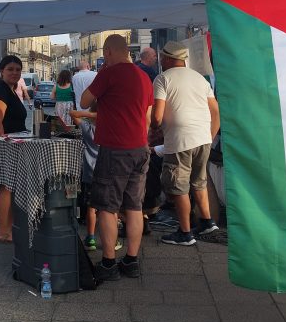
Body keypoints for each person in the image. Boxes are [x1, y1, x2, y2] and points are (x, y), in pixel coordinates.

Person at [80, 34, 153, 281]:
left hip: (115, 148)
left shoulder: (109, 74)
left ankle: (109, 262)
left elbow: (84, 100)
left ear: (109, 51)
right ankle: (131, 261)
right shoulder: (144, 76)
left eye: (104, 52)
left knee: (107, 207)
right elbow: (148, 116)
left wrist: (102, 99)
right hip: (141, 148)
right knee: (134, 206)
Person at [151, 41, 220, 246]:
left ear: (171, 58)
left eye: (163, 57)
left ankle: (185, 232)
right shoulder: (199, 78)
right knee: (199, 182)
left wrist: (156, 127)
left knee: (178, 186)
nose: (161, 60)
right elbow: (215, 110)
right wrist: (210, 134)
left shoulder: (162, 79)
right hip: (203, 138)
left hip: (180, 139)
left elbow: (156, 117)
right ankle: (207, 222)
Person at [0, 55, 28, 243]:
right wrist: (3, 148)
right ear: (2, 71)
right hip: (5, 145)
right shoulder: (0, 91)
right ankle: (3, 231)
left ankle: (8, 229)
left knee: (10, 187)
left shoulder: (10, 90)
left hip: (12, 144)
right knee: (6, 188)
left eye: (18, 69)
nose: (14, 73)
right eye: (10, 69)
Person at [70, 109, 99, 251]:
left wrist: (92, 115)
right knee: (111, 209)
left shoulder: (88, 129)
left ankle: (91, 237)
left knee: (91, 208)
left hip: (90, 174)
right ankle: (113, 239)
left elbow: (72, 113)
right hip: (108, 174)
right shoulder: (112, 128)